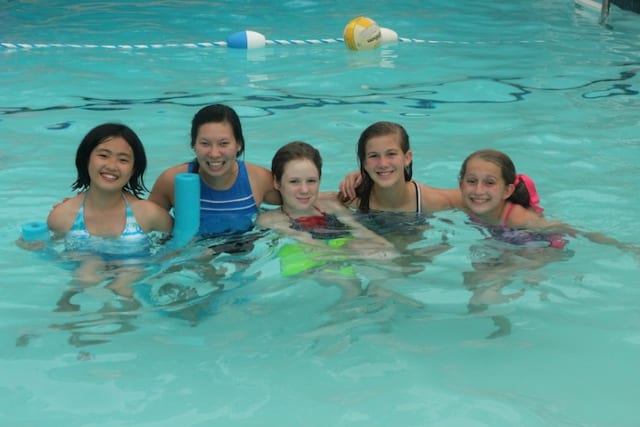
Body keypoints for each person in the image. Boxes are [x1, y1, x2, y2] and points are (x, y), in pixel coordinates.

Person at [45, 123, 174, 298]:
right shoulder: (63, 216)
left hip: (133, 271)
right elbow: (51, 249)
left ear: (133, 169)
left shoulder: (147, 214)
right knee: (87, 274)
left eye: (123, 159)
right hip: (84, 271)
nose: (112, 166)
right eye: (103, 155)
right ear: (86, 158)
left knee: (124, 284)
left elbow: (177, 244)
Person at [257, 141, 398, 279]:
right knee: (342, 279)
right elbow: (313, 246)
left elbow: (360, 230)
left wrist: (387, 247)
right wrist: (353, 251)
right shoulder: (270, 219)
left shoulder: (331, 205)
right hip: (302, 256)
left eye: (311, 181)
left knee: (386, 260)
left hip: (340, 251)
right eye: (294, 182)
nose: (304, 190)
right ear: (277, 182)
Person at [149, 104, 281, 244]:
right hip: (192, 254)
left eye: (223, 144)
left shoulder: (259, 180)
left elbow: (297, 207)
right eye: (205, 144)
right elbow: (145, 222)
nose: (214, 154)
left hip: (241, 250)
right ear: (193, 145)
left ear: (238, 144)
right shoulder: (171, 181)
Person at [339, 121, 462, 213]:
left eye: (391, 154)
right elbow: (321, 198)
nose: (383, 164)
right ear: (364, 163)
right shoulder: (353, 200)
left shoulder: (428, 200)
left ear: (407, 158)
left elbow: (474, 197)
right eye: (374, 156)